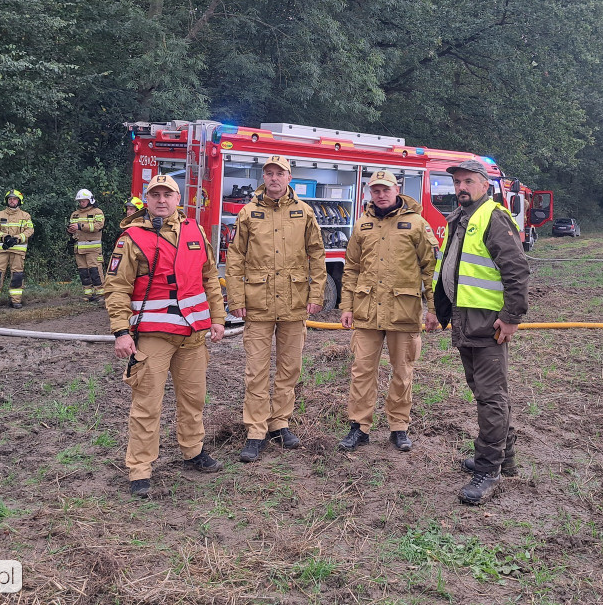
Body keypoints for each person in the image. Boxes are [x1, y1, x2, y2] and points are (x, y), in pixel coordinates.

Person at [103, 174, 226, 498]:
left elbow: (210, 278)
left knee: (193, 399)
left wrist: (217, 318)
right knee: (146, 404)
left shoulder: (196, 231)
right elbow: (116, 288)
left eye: (167, 194)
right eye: (155, 195)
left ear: (177, 199)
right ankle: (140, 469)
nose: (161, 200)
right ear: (147, 199)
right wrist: (120, 332)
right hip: (154, 337)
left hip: (193, 336)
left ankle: (192, 450)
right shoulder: (132, 237)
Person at [432, 159, 530, 506]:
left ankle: (488, 470)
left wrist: (512, 317)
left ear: (484, 185)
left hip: (488, 323)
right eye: (457, 181)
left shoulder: (493, 216)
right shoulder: (461, 218)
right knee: (487, 393)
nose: (461, 186)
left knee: (491, 397)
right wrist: (438, 312)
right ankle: (507, 458)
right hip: (466, 321)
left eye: (468, 181)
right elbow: (450, 268)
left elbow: (517, 270)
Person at [225, 155, 325, 463]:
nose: (274, 178)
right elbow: (235, 256)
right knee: (256, 370)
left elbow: (317, 254)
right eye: (268, 173)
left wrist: (317, 292)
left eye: (279, 173)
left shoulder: (304, 212)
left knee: (289, 367)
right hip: (258, 303)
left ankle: (279, 423)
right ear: (264, 177)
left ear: (289, 177)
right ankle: (256, 431)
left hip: (294, 301)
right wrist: (237, 298)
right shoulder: (248, 213)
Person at [338, 170, 438, 453]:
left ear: (397, 189)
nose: (380, 195)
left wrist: (433, 309)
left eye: (385, 189)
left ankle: (399, 428)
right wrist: (346, 306)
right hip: (367, 311)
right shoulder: (362, 226)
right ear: (370, 193)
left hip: (403, 312)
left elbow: (430, 269)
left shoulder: (417, 224)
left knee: (403, 372)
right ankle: (359, 427)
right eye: (375, 190)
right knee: (361, 372)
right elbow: (352, 270)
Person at [0, 189, 35, 309]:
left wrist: (17, 238)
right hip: (1, 249)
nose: (12, 201)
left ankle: (15, 300)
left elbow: (30, 230)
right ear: (7, 201)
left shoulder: (25, 215)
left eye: (14, 199)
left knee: (17, 275)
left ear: (19, 201)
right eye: (10, 199)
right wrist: (4, 237)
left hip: (18, 250)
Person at [68, 189, 105, 302]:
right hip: (79, 249)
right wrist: (70, 230)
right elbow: (73, 229)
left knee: (95, 272)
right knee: (83, 273)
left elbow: (98, 226)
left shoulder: (97, 212)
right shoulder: (75, 214)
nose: (81, 203)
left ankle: (101, 295)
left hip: (93, 249)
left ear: (90, 200)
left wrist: (80, 226)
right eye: (80, 201)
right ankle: (88, 294)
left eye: (83, 201)